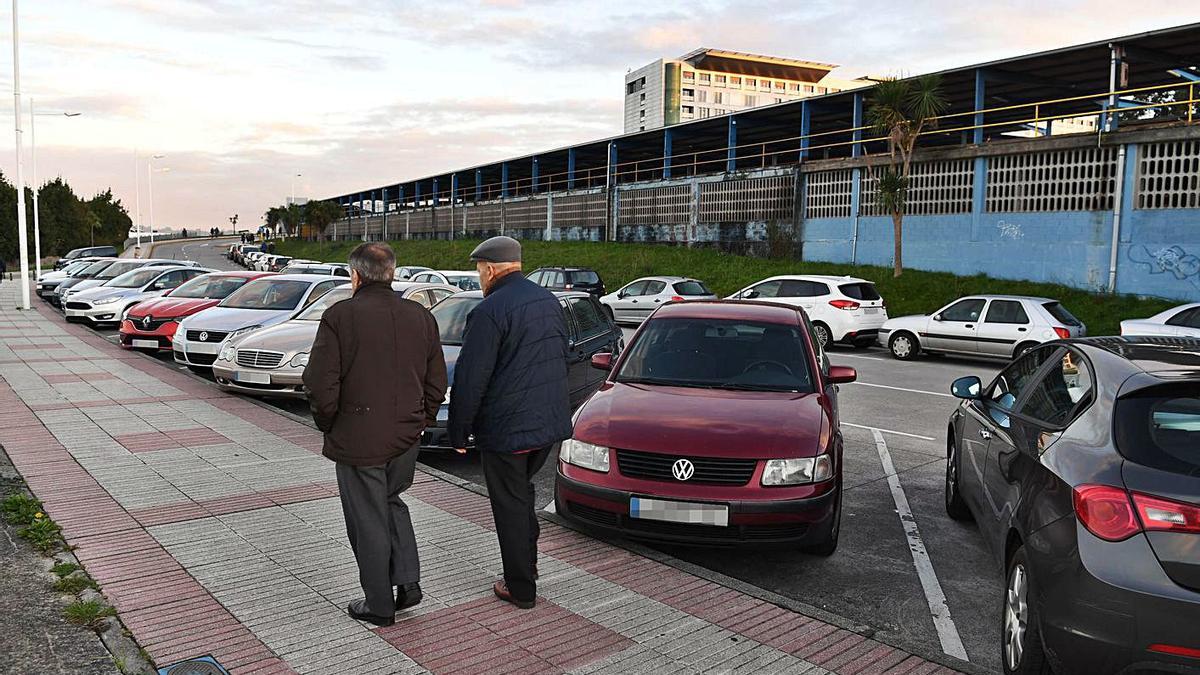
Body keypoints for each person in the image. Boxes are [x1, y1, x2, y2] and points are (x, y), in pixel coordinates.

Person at [303, 242, 447, 627]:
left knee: (367, 517)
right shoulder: (421, 316)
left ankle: (380, 604)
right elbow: (437, 380)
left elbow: (319, 383)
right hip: (407, 435)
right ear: (392, 273)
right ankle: (408, 581)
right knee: (391, 502)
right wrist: (423, 419)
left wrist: (329, 423)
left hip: (359, 436)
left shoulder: (340, 316)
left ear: (356, 275)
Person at [448, 235, 572, 609]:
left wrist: (459, 429)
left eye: (478, 270)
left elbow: (471, 377)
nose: (479, 277)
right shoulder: (548, 301)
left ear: (488, 268)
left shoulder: (489, 311)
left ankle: (521, 587)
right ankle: (528, 564)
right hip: (546, 425)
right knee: (521, 494)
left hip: (509, 429)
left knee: (509, 505)